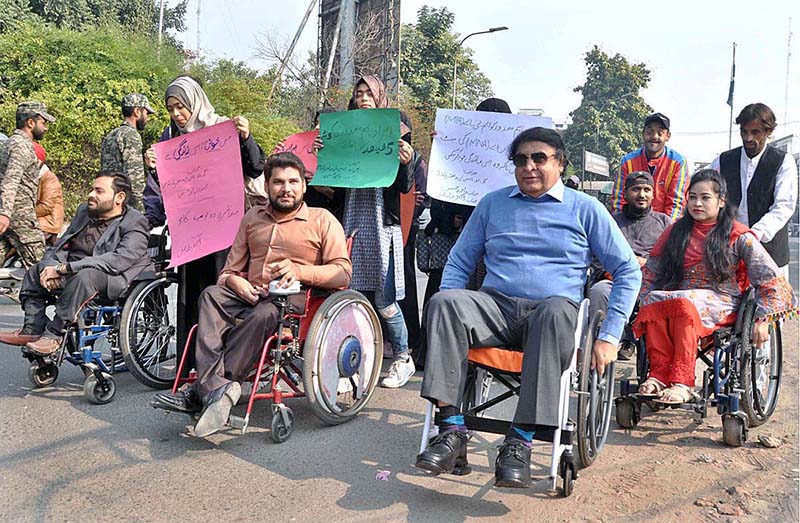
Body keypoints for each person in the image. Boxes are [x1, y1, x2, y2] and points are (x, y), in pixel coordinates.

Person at [416, 127, 640, 488]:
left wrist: (610, 335)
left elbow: (628, 269)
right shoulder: (493, 204)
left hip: (553, 314)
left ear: (560, 163)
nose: (529, 166)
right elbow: (458, 263)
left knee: (554, 311)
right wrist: (453, 317)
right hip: (496, 308)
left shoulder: (585, 209)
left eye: (539, 158)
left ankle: (519, 440)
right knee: (444, 302)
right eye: (521, 160)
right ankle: (452, 430)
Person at [151, 152, 351, 437]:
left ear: (304, 186)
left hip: (295, 300)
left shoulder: (322, 220)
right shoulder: (252, 218)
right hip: (250, 293)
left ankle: (203, 388)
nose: (287, 188)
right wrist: (236, 283)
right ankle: (216, 389)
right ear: (267, 186)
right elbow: (228, 271)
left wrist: (300, 271)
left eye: (294, 181)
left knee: (267, 312)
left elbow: (342, 273)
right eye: (278, 182)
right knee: (210, 295)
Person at [632, 169, 795, 404]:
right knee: (653, 299)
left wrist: (762, 320)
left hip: (723, 300)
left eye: (705, 197)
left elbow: (769, 277)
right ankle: (657, 375)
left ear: (721, 201)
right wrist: (640, 302)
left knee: (682, 303)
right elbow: (651, 273)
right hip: (682, 297)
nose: (697, 203)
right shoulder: (675, 232)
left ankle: (682, 381)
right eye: (692, 197)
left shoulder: (738, 236)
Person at [142, 75, 266, 353]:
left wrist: (246, 138)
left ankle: (228, 361)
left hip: (225, 229)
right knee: (192, 294)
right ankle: (192, 365)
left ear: (195, 102)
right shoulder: (170, 136)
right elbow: (168, 185)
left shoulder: (221, 128)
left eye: (181, 106)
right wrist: (152, 166)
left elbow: (256, 167)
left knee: (222, 288)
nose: (177, 114)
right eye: (171, 108)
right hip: (190, 230)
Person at [315, 75, 418, 389]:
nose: (363, 98)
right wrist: (322, 154)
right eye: (358, 93)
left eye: (368, 93)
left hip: (381, 225)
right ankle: (350, 363)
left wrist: (406, 161)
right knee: (349, 297)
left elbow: (403, 186)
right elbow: (332, 186)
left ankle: (403, 358)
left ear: (380, 97)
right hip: (351, 224)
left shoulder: (395, 127)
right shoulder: (343, 129)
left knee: (385, 300)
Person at [0, 172, 151, 355]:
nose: (91, 194)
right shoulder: (84, 212)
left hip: (111, 278)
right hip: (72, 272)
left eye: (99, 191)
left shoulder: (135, 222)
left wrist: (65, 269)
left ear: (119, 197)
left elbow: (119, 260)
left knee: (85, 277)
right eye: (91, 189)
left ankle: (55, 334)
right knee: (35, 271)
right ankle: (33, 328)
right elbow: (61, 245)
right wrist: (51, 266)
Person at [589, 171, 670, 360]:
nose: (641, 194)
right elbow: (596, 258)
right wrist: (621, 267)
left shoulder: (664, 223)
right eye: (636, 189)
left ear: (653, 194)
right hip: (614, 282)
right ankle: (601, 349)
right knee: (598, 292)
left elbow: (671, 260)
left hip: (650, 285)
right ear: (625, 193)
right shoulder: (610, 221)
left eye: (646, 190)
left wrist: (647, 263)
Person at [710, 103, 797, 274]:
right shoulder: (722, 160)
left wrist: (753, 235)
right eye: (744, 131)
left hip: (771, 254)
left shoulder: (783, 162)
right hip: (729, 252)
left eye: (755, 132)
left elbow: (784, 206)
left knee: (772, 299)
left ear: (768, 132)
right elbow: (709, 196)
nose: (748, 138)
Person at [0, 101, 55, 269]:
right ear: (30, 123)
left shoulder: (10, 143)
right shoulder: (21, 146)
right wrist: (5, 214)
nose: (45, 128)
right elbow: (11, 179)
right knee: (41, 266)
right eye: (43, 122)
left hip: (10, 215)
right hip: (19, 216)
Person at [612, 112, 689, 221]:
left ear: (668, 136)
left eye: (660, 132)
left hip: (664, 227)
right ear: (643, 134)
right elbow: (618, 201)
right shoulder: (627, 162)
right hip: (629, 225)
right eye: (650, 132)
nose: (654, 137)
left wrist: (666, 232)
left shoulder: (678, 163)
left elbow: (676, 204)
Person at [100, 93, 154, 210]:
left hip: (108, 200)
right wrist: (141, 211)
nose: (147, 118)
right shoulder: (131, 135)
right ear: (137, 112)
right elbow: (134, 178)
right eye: (146, 113)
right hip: (125, 205)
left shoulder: (110, 135)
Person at [33, 143, 64, 246]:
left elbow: (46, 207)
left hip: (47, 222)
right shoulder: (32, 176)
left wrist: (24, 212)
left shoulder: (49, 179)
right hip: (36, 219)